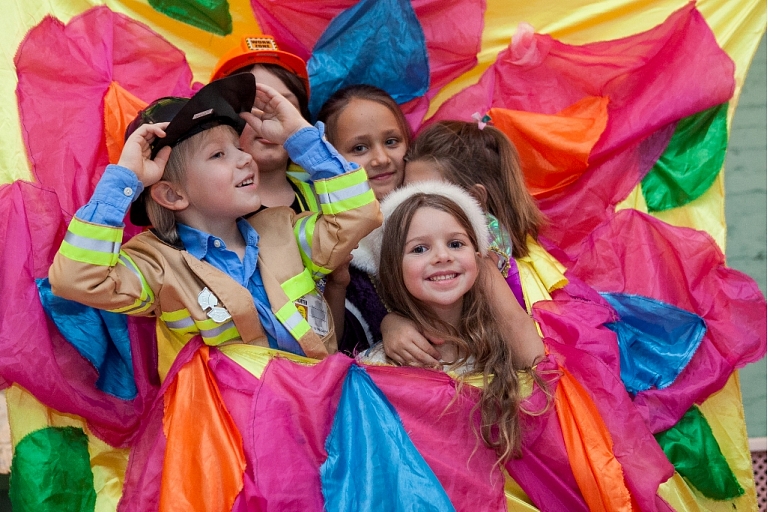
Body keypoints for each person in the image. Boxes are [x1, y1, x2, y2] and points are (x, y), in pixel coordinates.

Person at [48, 73, 381, 380]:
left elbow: (359, 216)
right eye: (219, 155)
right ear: (172, 194)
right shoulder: (156, 265)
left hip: (317, 415)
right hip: (228, 439)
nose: (245, 158)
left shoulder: (286, 229)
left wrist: (301, 138)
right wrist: (124, 181)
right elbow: (74, 281)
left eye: (238, 147)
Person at [359, 180, 548, 461]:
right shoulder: (377, 366)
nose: (443, 256)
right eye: (419, 249)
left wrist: (485, 271)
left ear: (477, 256)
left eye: (456, 243)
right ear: (392, 268)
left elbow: (546, 380)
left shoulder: (505, 344)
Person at [383, 119, 565, 367]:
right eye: (408, 194)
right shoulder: (421, 258)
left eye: (430, 195)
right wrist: (389, 323)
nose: (415, 205)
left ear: (475, 200)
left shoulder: (484, 261)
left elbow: (532, 358)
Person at [316, 84, 412, 352]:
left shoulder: (442, 212)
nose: (381, 159)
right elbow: (327, 350)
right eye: (360, 148)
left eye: (392, 141)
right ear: (330, 158)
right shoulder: (321, 237)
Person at [211, 35, 318, 214]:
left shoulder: (325, 197)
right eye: (253, 104)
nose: (269, 117)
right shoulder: (203, 204)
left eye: (284, 105)